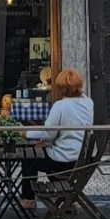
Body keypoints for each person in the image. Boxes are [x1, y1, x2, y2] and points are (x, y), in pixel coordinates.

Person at [20, 67, 94, 208]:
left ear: (62, 88)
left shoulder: (60, 106)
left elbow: (48, 134)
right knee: (43, 155)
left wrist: (26, 133)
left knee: (29, 158)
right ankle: (67, 201)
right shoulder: (88, 103)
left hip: (63, 159)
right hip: (80, 159)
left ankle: (28, 199)